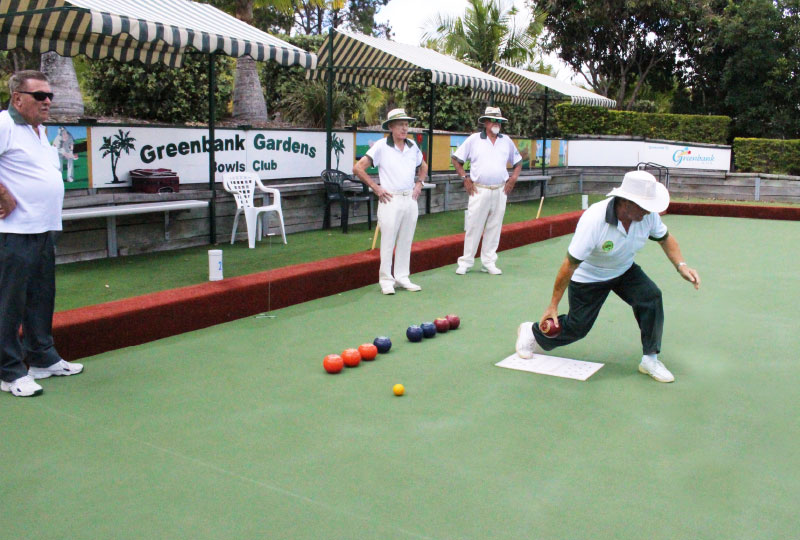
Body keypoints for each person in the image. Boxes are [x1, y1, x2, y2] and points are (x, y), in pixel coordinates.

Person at [514, 170, 701, 383]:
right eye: (644, 206)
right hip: (590, 276)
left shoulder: (647, 216)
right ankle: (531, 332)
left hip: (623, 269)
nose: (649, 212)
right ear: (626, 201)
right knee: (578, 327)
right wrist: (553, 305)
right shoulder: (594, 220)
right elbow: (569, 265)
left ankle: (650, 359)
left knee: (651, 297)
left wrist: (681, 266)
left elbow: (665, 239)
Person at [0, 70, 83, 398]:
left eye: (49, 95)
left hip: (43, 227)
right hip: (15, 231)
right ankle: (8, 371)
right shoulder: (5, 124)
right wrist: (3, 193)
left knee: (40, 296)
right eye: (40, 96)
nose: (47, 101)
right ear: (18, 98)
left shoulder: (40, 131)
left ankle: (42, 358)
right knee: (10, 301)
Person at [353, 108, 428, 295]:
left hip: (409, 198)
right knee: (388, 240)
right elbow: (358, 168)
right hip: (390, 199)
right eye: (400, 124)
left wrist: (419, 183)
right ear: (391, 127)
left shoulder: (412, 146)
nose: (405, 128)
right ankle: (386, 280)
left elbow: (423, 165)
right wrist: (376, 188)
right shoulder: (380, 146)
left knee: (406, 239)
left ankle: (402, 277)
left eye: (406, 124)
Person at [451, 106, 523, 275]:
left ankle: (488, 261)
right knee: (473, 226)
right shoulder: (474, 139)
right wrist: (464, 178)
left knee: (494, 226)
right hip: (479, 190)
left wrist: (513, 178)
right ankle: (466, 262)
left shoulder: (506, 141)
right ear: (485, 122)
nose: (496, 123)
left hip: (500, 190)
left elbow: (518, 162)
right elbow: (456, 159)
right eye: (493, 120)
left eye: (499, 120)